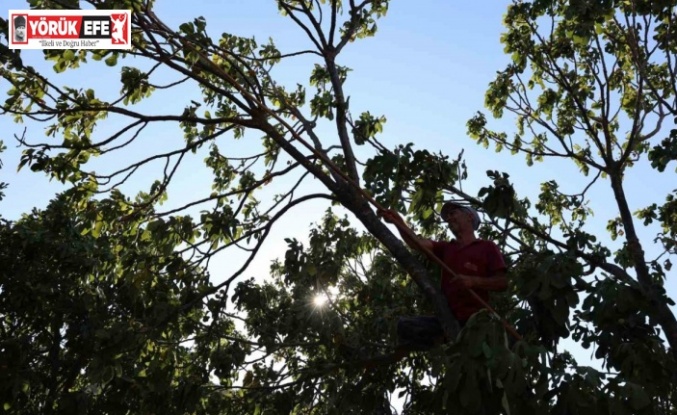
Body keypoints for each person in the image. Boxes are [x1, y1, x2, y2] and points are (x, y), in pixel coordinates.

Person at [378, 201, 507, 356]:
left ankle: (455, 345)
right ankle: (446, 343)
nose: (449, 219)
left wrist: (474, 281)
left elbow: (502, 282)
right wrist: (397, 221)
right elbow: (417, 243)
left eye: (453, 213)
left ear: (470, 217)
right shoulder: (447, 248)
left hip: (475, 322)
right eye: (448, 217)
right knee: (404, 326)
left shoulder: (487, 247)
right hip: (448, 318)